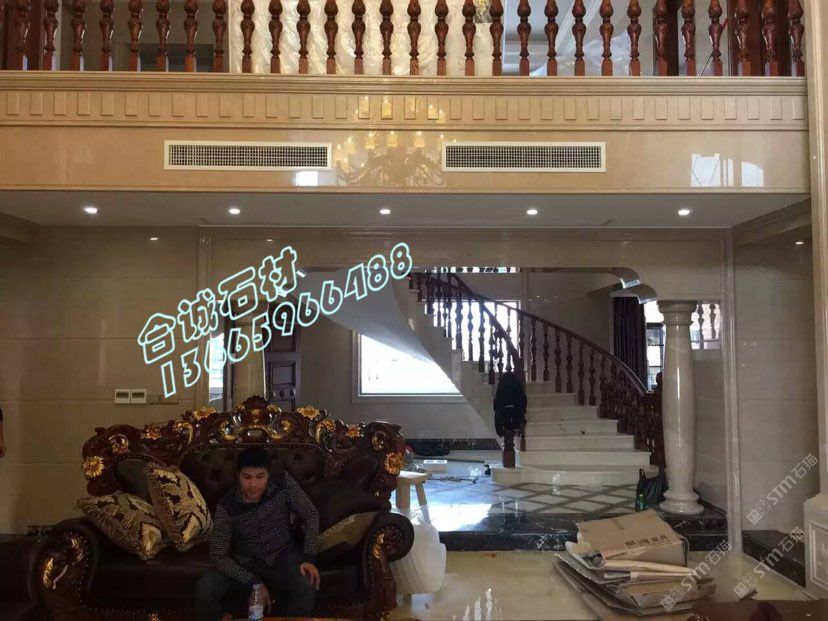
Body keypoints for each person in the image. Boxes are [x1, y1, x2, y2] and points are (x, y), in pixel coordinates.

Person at [194, 447, 320, 621]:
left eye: (260, 477)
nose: (253, 484)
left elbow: (310, 513)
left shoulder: (282, 481)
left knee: (306, 584)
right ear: (238, 475)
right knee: (205, 588)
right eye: (247, 477)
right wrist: (253, 582)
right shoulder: (226, 506)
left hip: (283, 554)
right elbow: (217, 555)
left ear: (269, 474)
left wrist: (309, 558)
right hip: (245, 561)